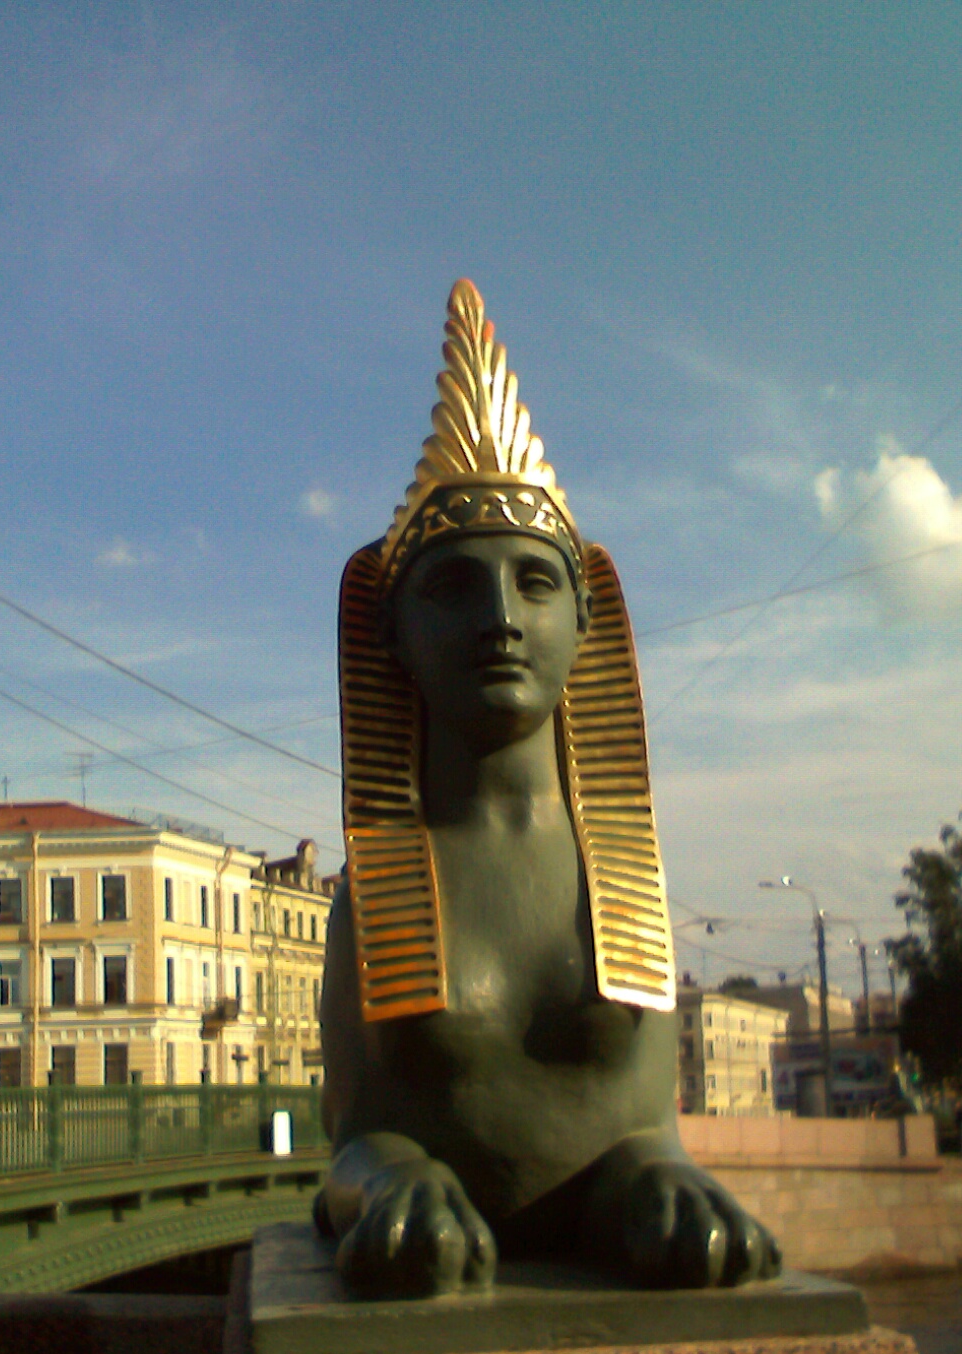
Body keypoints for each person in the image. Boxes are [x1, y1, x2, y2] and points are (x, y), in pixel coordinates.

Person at [315, 281, 782, 1297]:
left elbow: (645, 1128)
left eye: (534, 582)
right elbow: (348, 1148)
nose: (499, 618)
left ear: (586, 614)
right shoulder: (375, 886)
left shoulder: (625, 875)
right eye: (452, 587)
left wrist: (657, 1178)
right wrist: (393, 1180)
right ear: (389, 631)